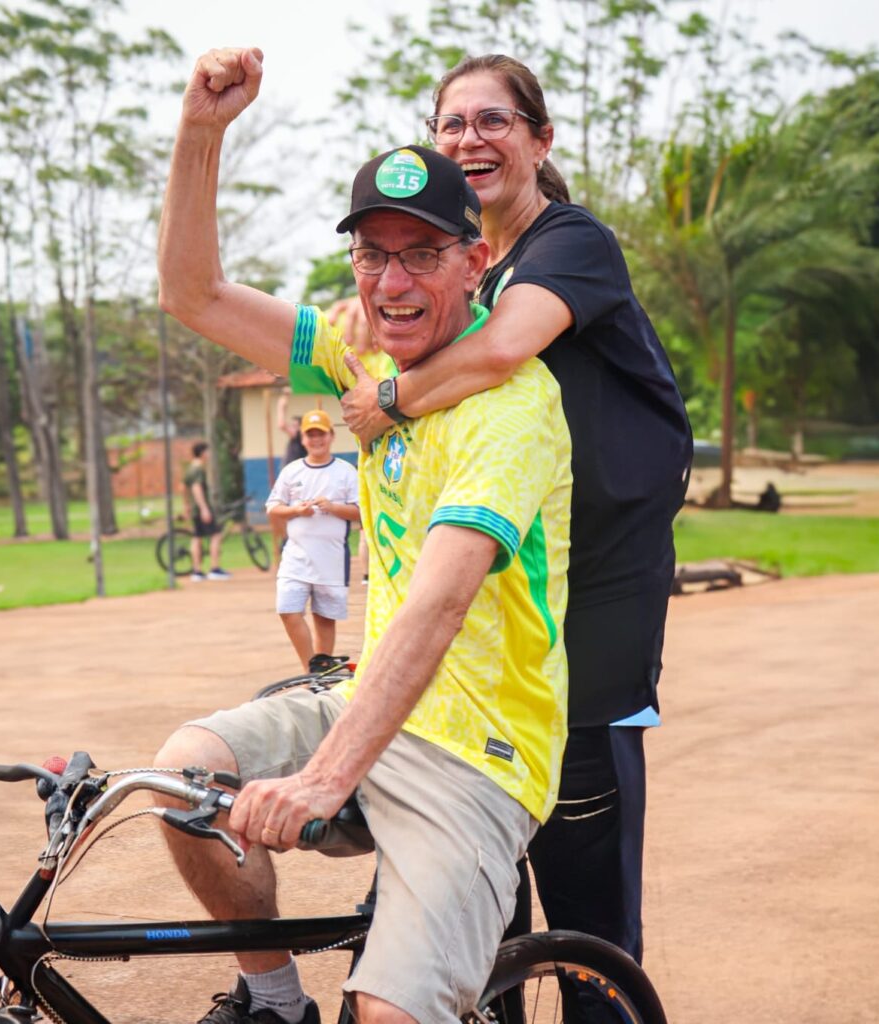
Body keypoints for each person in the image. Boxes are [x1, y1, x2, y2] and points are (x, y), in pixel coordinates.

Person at [156, 47, 572, 1024]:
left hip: (480, 743)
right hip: (364, 700)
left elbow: (440, 597)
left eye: (422, 252)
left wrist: (323, 775)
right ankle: (273, 1001)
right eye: (373, 253)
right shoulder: (356, 353)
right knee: (184, 774)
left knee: (390, 1011)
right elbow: (195, 295)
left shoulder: (511, 409)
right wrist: (201, 131)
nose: (392, 280)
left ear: (477, 262)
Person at [338, 54, 694, 965]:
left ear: (539, 138)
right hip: (508, 598)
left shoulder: (571, 243)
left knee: (583, 889)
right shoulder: (461, 269)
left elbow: (500, 351)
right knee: (476, 881)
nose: (470, 139)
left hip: (599, 594)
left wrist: (392, 400)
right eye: (451, 125)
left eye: (493, 120)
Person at [266, 408, 360, 671]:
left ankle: (322, 671)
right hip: (295, 556)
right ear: (303, 439)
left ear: (331, 436)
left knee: (325, 617)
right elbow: (272, 507)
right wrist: (297, 510)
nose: (316, 440)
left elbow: (361, 512)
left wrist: (331, 507)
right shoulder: (291, 471)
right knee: (288, 609)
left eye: (321, 434)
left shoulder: (345, 472)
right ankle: (310, 669)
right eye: (310, 435)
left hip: (330, 558)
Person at [185, 441, 231, 581]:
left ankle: (197, 571)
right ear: (203, 453)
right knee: (216, 535)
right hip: (201, 508)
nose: (209, 455)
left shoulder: (189, 469)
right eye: (208, 452)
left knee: (197, 537)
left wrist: (187, 506)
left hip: (194, 508)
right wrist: (204, 508)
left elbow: (184, 488)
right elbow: (196, 488)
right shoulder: (198, 469)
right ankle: (214, 568)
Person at [276, 388, 307, 466]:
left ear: (300, 427)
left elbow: (282, 424)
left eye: (294, 426)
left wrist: (284, 398)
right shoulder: (301, 436)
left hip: (294, 467)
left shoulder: (299, 435)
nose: (291, 427)